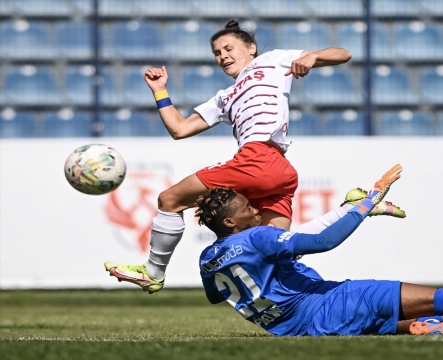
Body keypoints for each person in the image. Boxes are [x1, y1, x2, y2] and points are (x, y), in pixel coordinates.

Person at [104, 20, 401, 292]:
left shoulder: (272, 61)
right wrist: (159, 91)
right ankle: (355, 207)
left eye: (228, 48)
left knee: (169, 200)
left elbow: (343, 53)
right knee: (277, 249)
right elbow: (179, 129)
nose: (222, 56)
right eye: (217, 53)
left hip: (259, 158)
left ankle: (154, 272)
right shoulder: (224, 97)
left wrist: (313, 56)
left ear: (251, 48)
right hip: (278, 171)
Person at [196, 165, 443, 336]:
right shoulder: (257, 237)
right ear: (230, 222)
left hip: (294, 329)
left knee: (408, 316)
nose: (256, 209)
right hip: (325, 303)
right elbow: (322, 242)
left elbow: (219, 297)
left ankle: (427, 328)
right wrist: (368, 201)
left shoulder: (209, 259)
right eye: (248, 208)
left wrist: (347, 211)